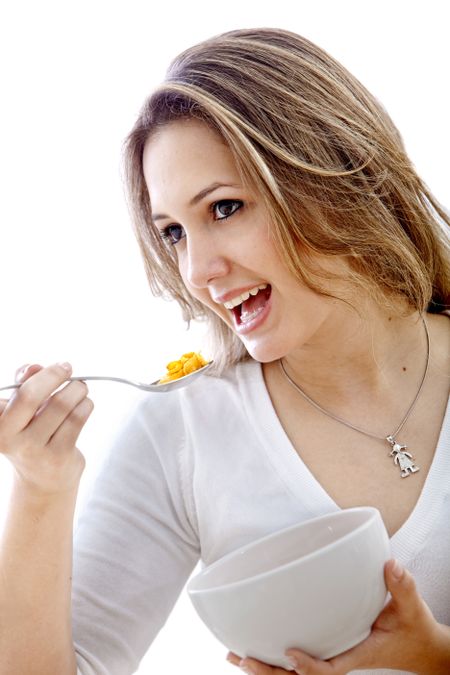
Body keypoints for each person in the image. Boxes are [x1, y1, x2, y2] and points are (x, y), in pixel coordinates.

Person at [0, 27, 449, 675]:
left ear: (337, 175)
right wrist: (40, 489)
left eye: (226, 207)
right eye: (174, 232)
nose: (197, 269)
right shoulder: (181, 428)